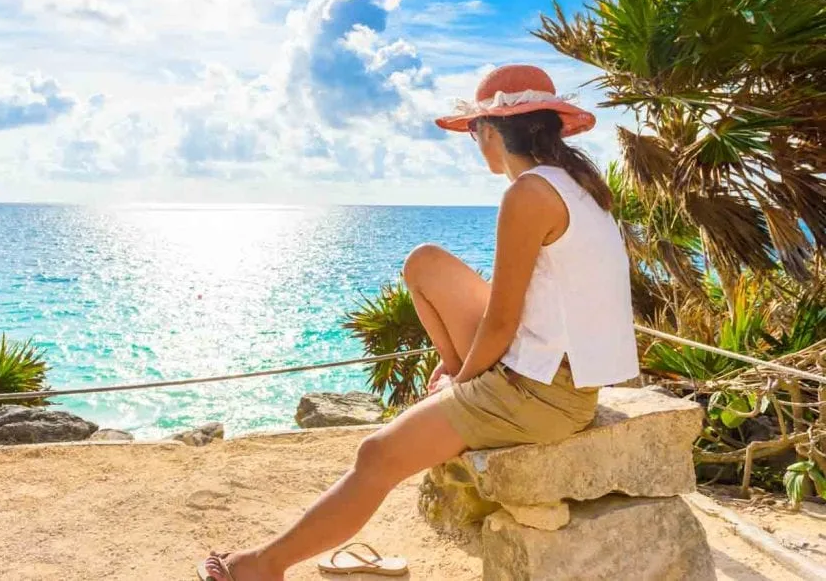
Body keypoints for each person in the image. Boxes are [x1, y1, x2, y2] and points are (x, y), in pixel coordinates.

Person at [199, 64, 640, 581]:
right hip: (555, 373)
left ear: (492, 132)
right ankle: (452, 387)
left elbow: (501, 321)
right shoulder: (574, 185)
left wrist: (462, 382)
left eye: (476, 131)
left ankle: (260, 568)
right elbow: (516, 305)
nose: (475, 141)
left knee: (377, 455)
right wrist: (457, 369)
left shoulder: (527, 195)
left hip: (541, 393)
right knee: (425, 261)